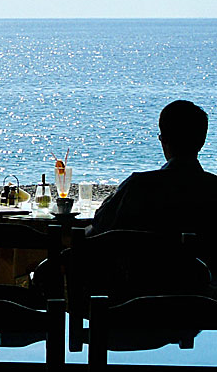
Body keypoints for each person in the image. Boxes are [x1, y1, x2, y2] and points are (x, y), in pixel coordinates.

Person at [89, 100, 217, 257]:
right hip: (199, 280)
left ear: (164, 139)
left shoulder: (137, 187)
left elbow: (99, 227)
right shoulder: (212, 189)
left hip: (138, 279)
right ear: (202, 141)